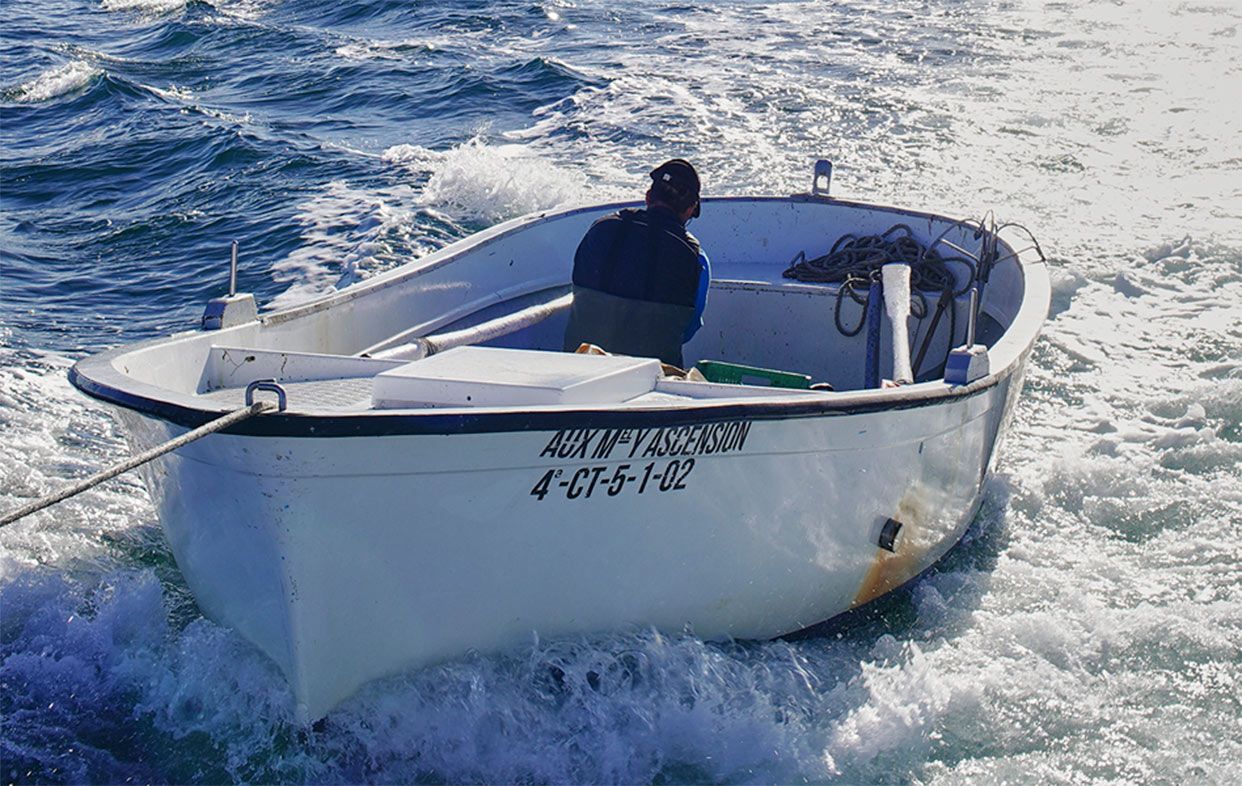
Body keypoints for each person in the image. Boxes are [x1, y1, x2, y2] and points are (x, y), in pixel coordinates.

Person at [562, 159, 711, 368]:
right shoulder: (696, 258)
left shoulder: (600, 229)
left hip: (581, 369)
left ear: (648, 196)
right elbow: (688, 330)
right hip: (649, 378)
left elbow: (579, 290)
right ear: (689, 209)